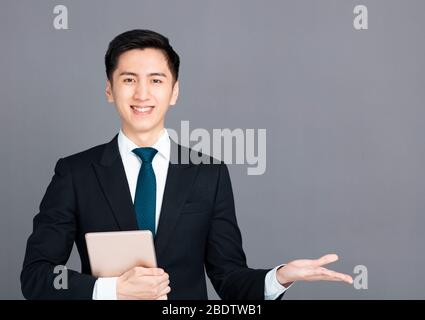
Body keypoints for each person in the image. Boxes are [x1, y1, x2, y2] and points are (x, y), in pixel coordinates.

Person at [21, 29, 353, 300]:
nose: (142, 94)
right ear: (109, 89)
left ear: (174, 91)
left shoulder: (209, 174)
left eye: (155, 80)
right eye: (128, 80)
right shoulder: (75, 173)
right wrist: (111, 290)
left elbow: (229, 279)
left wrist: (279, 277)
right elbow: (36, 275)